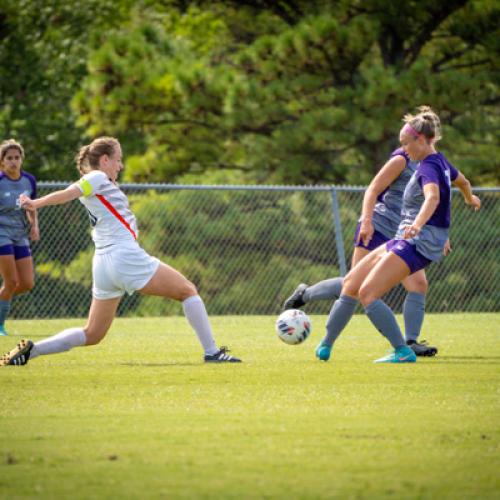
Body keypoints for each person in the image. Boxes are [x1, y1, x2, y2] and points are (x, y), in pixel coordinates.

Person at [0, 136, 240, 365]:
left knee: (92, 333)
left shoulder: (101, 183)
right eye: (117, 159)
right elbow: (70, 192)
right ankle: (212, 352)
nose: (121, 165)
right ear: (104, 160)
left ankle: (32, 350)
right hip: (123, 256)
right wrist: (36, 203)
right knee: (188, 290)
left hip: (104, 262)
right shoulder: (96, 177)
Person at [312, 107, 480, 363]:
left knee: (368, 294)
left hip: (415, 241)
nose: (404, 149)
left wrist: (420, 224)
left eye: (406, 143)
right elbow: (464, 182)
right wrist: (470, 198)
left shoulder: (427, 167)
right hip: (406, 237)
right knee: (352, 283)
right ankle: (325, 345)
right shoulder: (440, 162)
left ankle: (403, 350)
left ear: (421, 140)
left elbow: (433, 197)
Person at [284, 112, 442, 356]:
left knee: (418, 284)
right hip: (378, 226)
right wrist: (367, 221)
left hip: (405, 234)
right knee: (354, 286)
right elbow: (372, 189)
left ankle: (411, 342)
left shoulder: (431, 162)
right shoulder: (402, 159)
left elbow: (436, 200)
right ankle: (307, 294)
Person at [0, 139, 39, 336]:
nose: (14, 161)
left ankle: (2, 299)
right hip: (1, 234)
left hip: (20, 234)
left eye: (17, 157)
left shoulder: (29, 180)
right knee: (11, 282)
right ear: (2, 163)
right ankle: (0, 326)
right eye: (9, 158)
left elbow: (31, 205)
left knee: (27, 283)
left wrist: (35, 226)